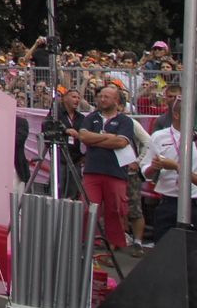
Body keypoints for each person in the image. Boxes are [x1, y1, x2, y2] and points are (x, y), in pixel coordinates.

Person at [76, 82, 141, 258]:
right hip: (92, 171)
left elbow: (121, 142)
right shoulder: (91, 117)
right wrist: (107, 137)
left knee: (116, 209)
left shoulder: (125, 121)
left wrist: (95, 140)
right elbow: (83, 136)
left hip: (116, 172)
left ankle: (113, 244)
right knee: (88, 206)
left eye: (107, 97)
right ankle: (88, 240)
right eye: (101, 96)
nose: (102, 99)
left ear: (116, 100)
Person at [141, 87, 197, 244]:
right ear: (177, 114)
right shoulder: (159, 136)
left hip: (193, 201)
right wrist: (154, 167)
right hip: (168, 201)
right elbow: (145, 171)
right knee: (164, 247)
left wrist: (177, 167)